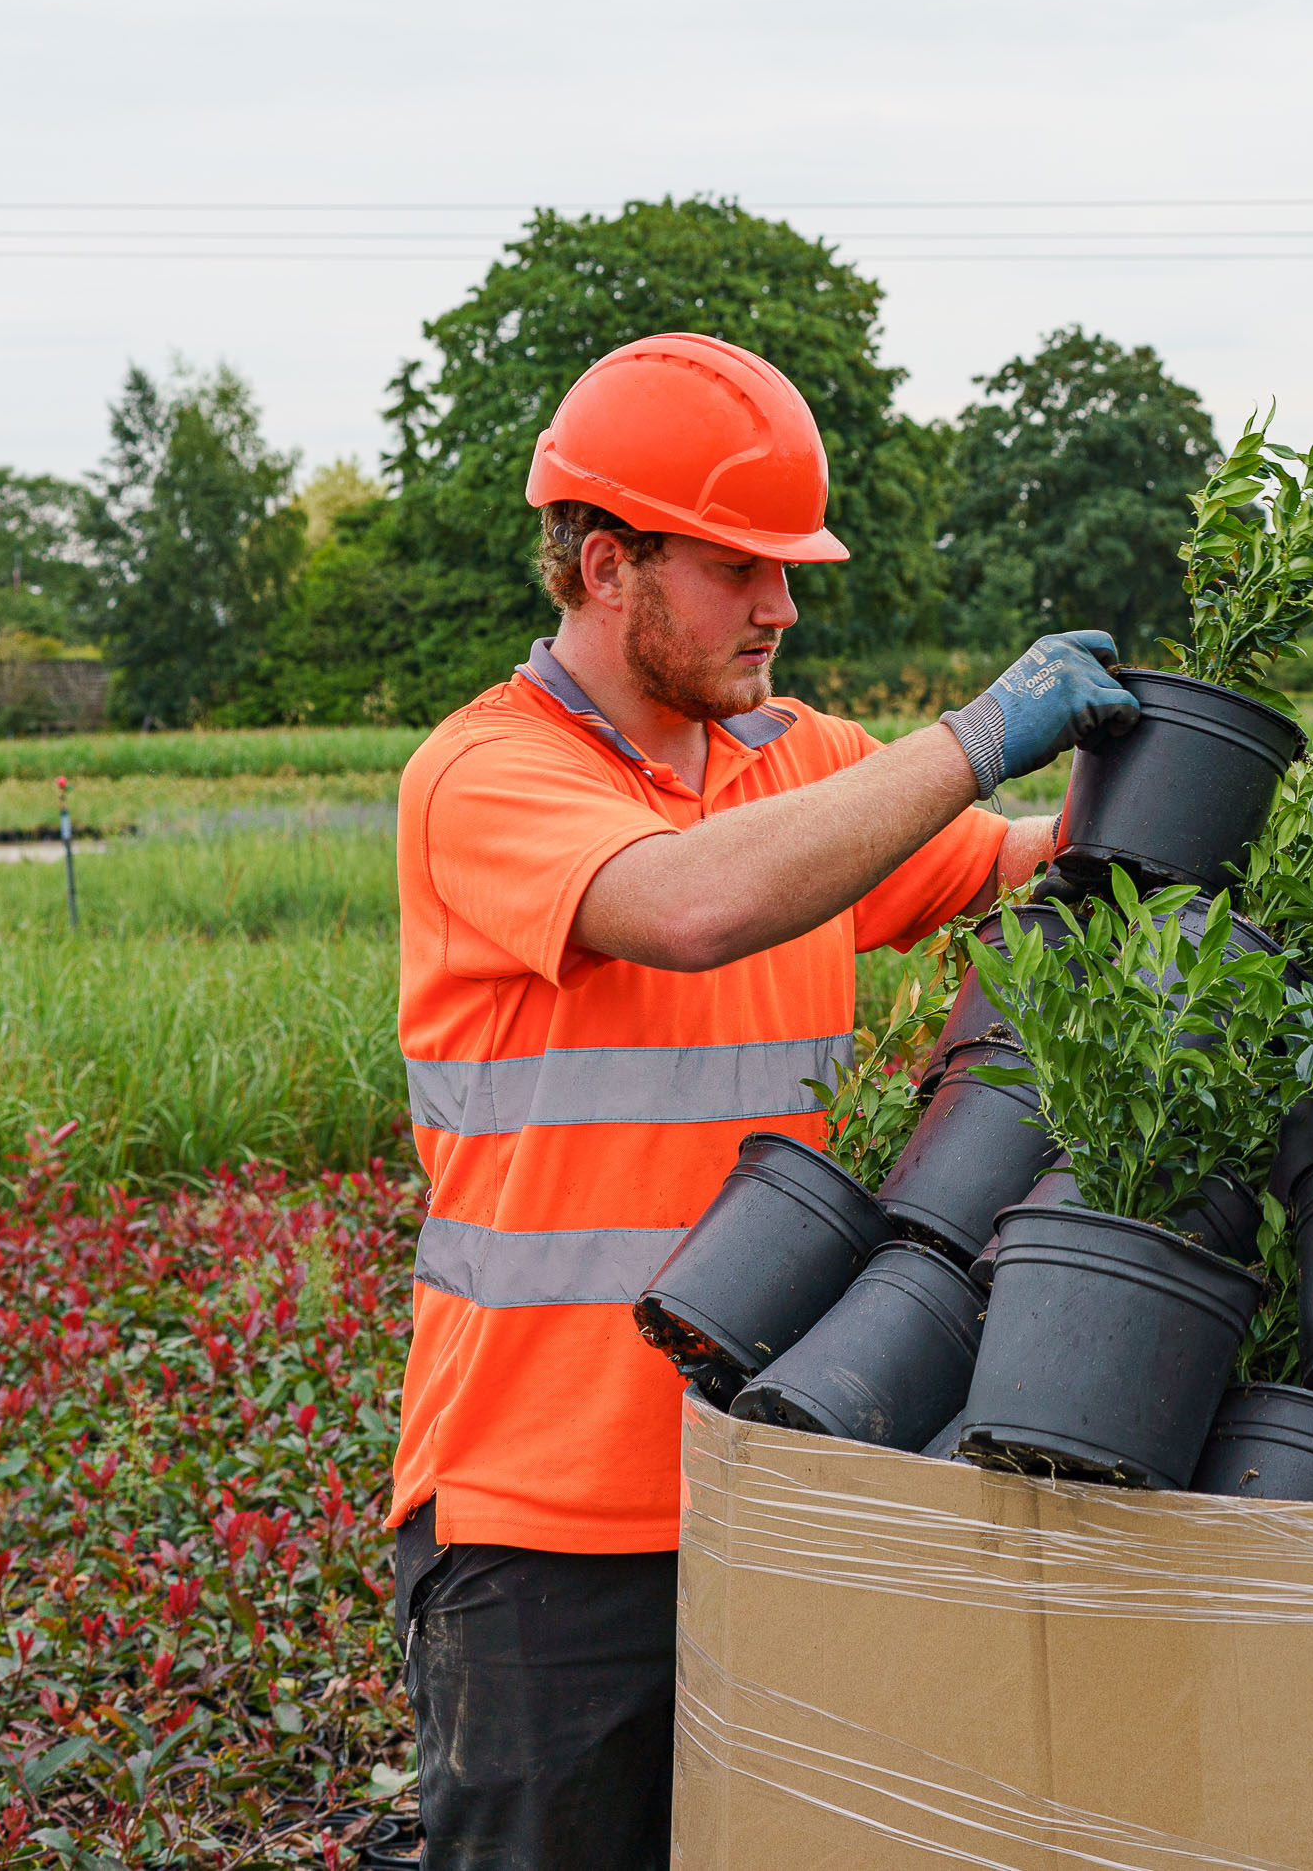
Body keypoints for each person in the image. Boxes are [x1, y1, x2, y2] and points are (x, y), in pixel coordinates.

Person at [387, 331, 1136, 1867]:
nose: (783, 605)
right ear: (608, 566)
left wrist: (1147, 787)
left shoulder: (805, 768)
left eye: (789, 568)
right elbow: (688, 904)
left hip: (769, 1481)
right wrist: (976, 736)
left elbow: (1024, 871)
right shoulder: (484, 775)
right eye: (741, 567)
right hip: (547, 1527)